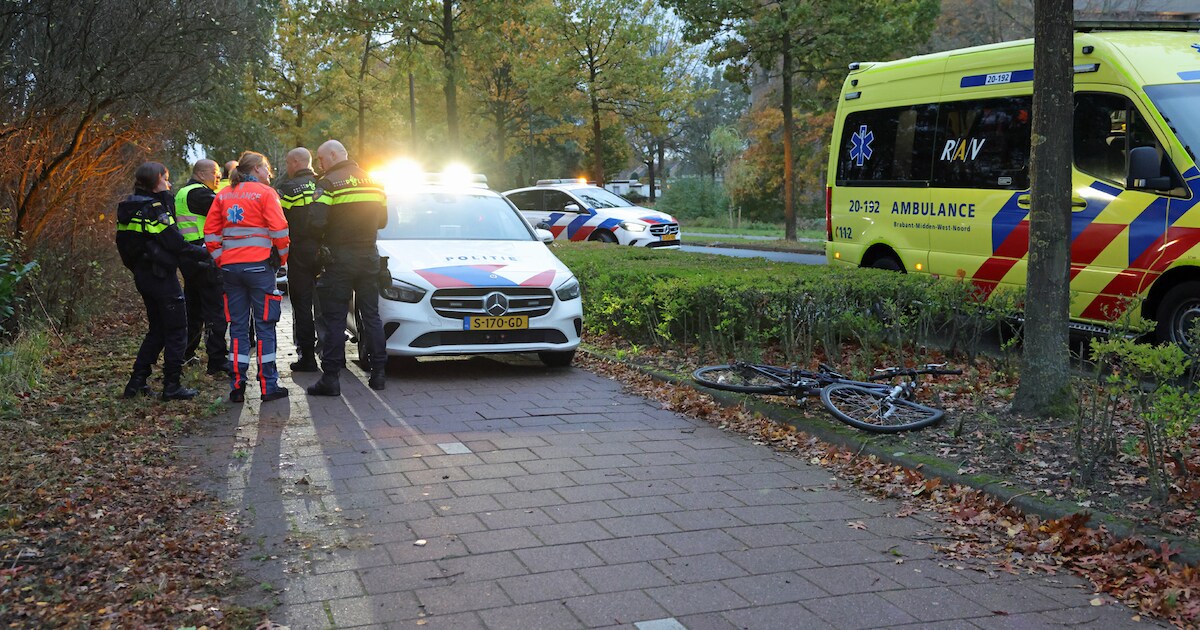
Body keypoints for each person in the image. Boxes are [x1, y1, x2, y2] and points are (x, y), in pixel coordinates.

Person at [115, 162, 210, 400]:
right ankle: (172, 385)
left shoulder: (129, 205)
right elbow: (174, 243)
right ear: (156, 180)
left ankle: (137, 381)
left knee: (157, 329)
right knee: (177, 329)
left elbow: (126, 245)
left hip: (143, 275)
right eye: (166, 179)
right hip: (161, 277)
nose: (168, 184)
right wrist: (207, 253)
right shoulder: (154, 208)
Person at [204, 151, 291, 403]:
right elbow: (280, 230)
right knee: (265, 326)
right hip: (259, 268)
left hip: (231, 270)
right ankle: (268, 385)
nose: (268, 173)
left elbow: (210, 233)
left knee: (239, 327)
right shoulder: (265, 193)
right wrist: (281, 259)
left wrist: (222, 258)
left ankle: (237, 385)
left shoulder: (223, 194)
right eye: (266, 168)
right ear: (257, 169)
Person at [307, 139, 388, 396]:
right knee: (371, 316)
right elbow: (383, 221)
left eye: (320, 159)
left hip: (339, 259)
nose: (319, 164)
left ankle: (330, 379)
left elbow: (315, 223)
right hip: (369, 257)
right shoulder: (375, 182)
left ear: (332, 156)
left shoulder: (328, 183)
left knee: (335, 318)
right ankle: (378, 374)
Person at [173, 159, 230, 376]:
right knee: (215, 310)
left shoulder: (182, 192)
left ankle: (186, 353)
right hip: (205, 257)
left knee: (194, 309)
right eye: (216, 173)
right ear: (202, 173)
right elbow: (226, 213)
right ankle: (217, 360)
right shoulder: (200, 194)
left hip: (190, 257)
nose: (219, 177)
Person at [275, 147, 321, 372]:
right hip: (325, 251)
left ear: (295, 162)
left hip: (299, 251)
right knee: (328, 304)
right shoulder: (324, 183)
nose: (287, 167)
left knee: (302, 305)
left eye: (287, 162)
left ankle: (308, 357)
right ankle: (335, 355)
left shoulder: (286, 189)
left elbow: (278, 221)